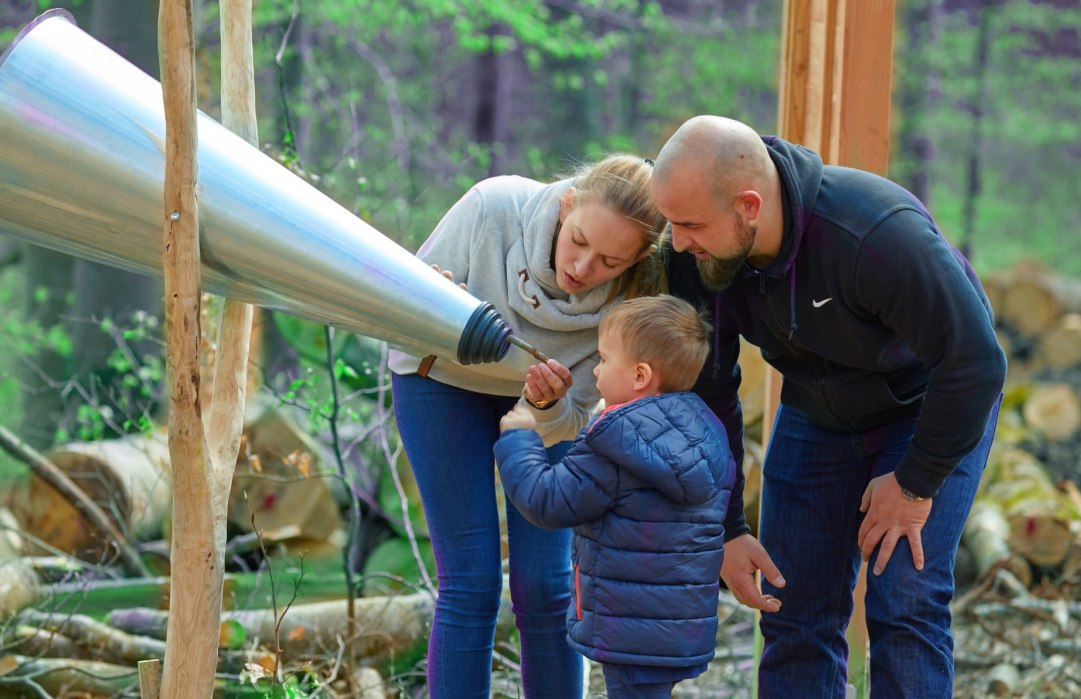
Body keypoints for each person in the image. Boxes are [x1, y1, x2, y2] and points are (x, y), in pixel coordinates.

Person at [649, 115, 1007, 698]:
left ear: (748, 205)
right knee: (792, 606)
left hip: (926, 406)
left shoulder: (873, 232)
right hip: (817, 411)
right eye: (672, 223)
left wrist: (914, 486)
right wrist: (729, 527)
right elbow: (709, 388)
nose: (679, 241)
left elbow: (975, 363)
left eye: (690, 224)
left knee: (904, 603)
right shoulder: (693, 255)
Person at [389, 154, 667, 699]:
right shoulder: (495, 207)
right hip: (441, 382)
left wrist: (547, 406)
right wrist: (430, 307)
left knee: (546, 586)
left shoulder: (635, 298)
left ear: (637, 261)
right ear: (567, 204)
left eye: (610, 260)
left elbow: (574, 421)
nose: (584, 267)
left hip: (546, 414)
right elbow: (398, 315)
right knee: (471, 581)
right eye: (579, 240)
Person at [493, 294, 739, 699]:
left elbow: (547, 501)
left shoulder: (617, 441)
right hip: (677, 629)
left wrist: (520, 439)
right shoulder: (704, 430)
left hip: (626, 628)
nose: (597, 370)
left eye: (604, 360)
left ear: (640, 375)